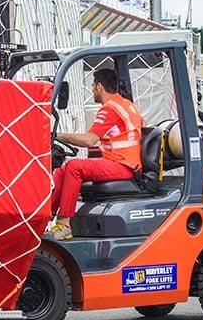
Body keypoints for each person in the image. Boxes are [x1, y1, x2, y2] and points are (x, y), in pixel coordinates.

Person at [49, 68, 144, 241]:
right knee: (63, 171)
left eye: (93, 86)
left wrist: (57, 135)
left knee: (74, 167)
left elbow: (89, 141)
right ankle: (44, 216)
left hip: (124, 165)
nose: (92, 90)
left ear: (99, 87)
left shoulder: (110, 110)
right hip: (124, 161)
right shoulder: (126, 105)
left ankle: (65, 224)